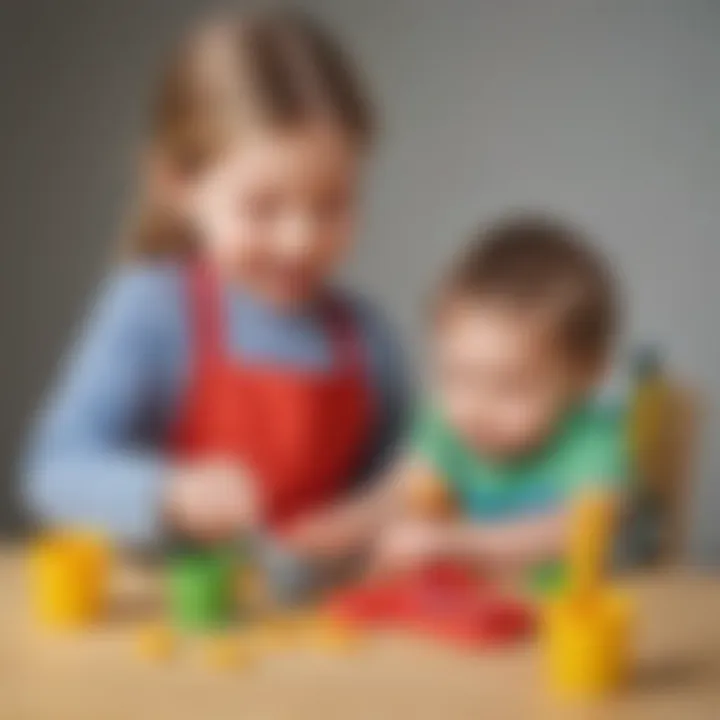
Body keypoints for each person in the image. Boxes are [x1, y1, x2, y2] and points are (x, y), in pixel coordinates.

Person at [23, 10, 406, 600]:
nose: (299, 239)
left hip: (320, 639)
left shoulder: (367, 338)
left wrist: (379, 521)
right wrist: (170, 493)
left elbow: (411, 488)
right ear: (180, 184)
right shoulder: (153, 309)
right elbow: (51, 472)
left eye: (333, 204)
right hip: (172, 636)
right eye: (263, 207)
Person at [376, 214, 626, 585]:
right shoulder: (444, 425)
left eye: (511, 386)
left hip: (561, 616)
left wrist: (456, 542)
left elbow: (582, 530)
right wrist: (366, 530)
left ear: (586, 376)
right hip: (466, 617)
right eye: (456, 375)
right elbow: (399, 496)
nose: (476, 408)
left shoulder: (592, 440)